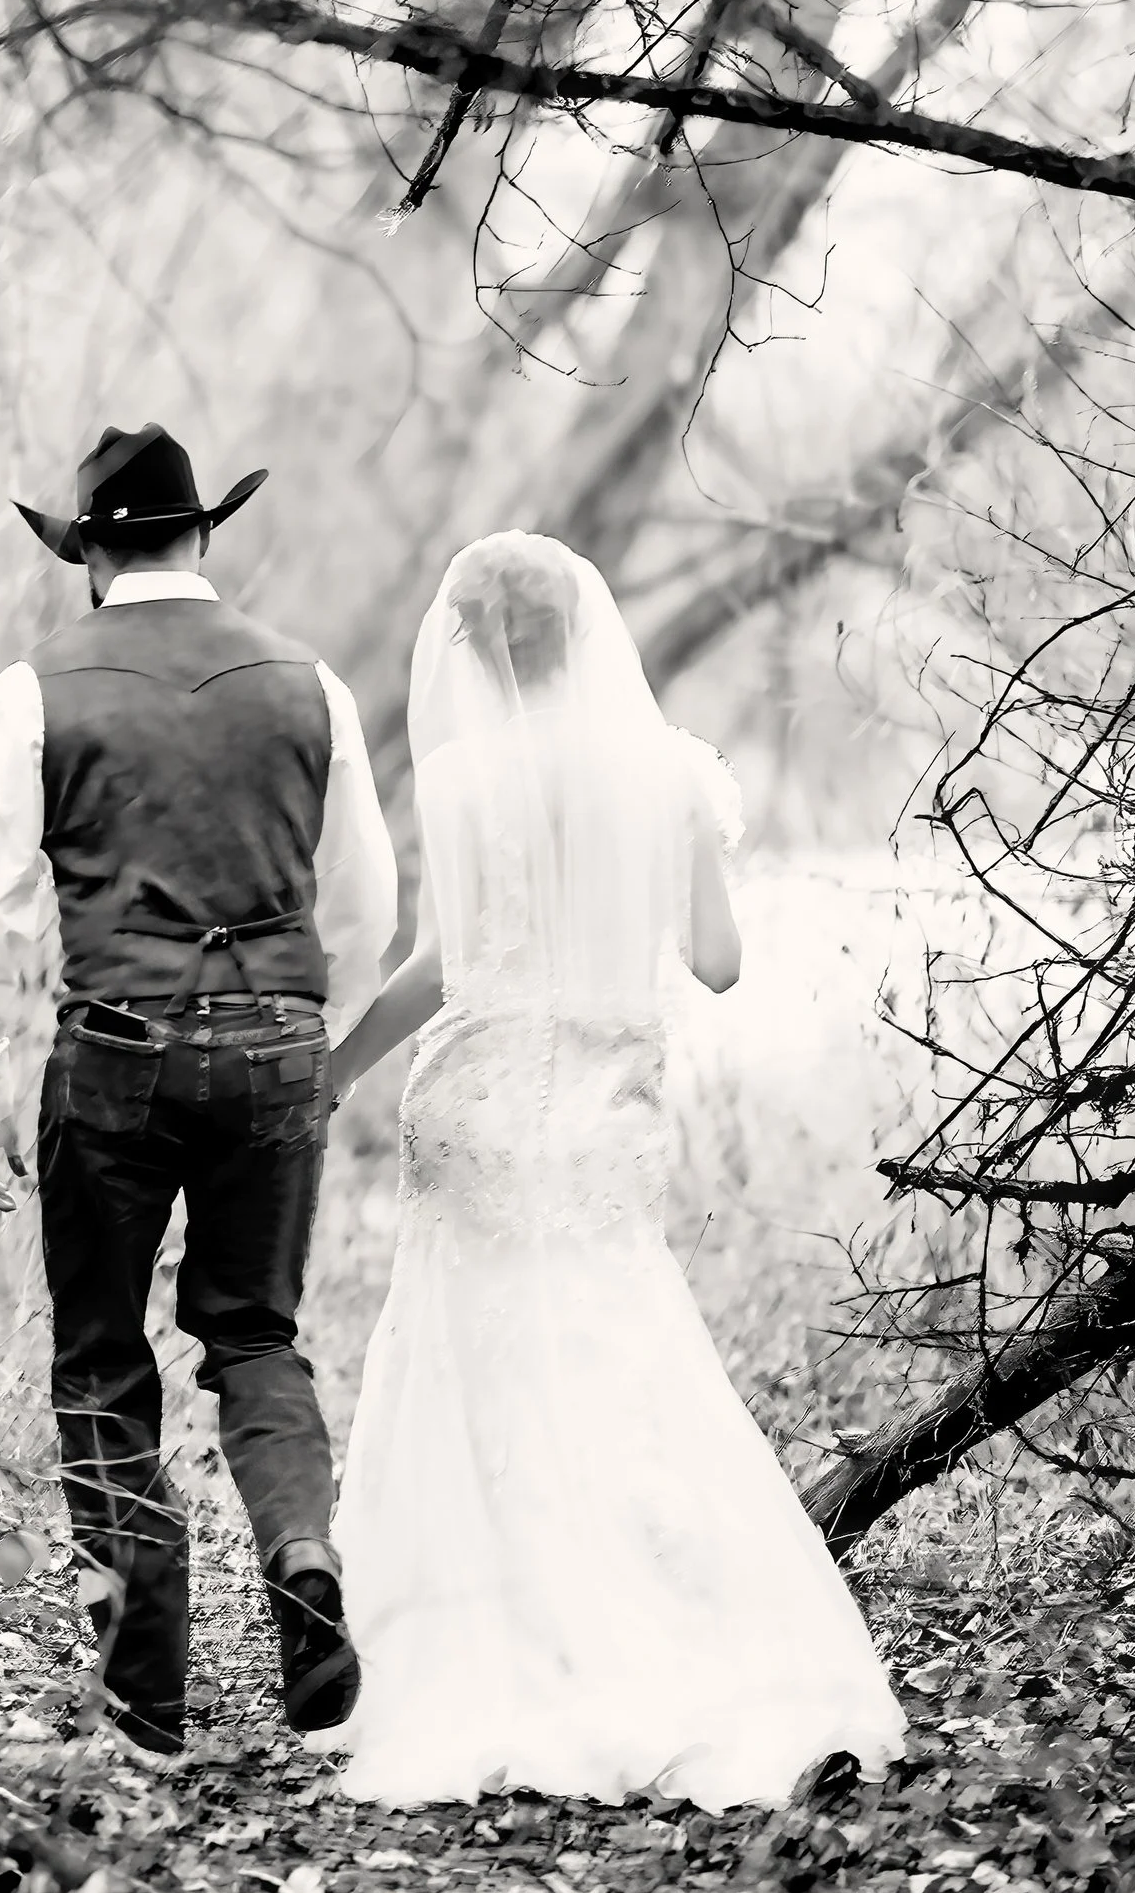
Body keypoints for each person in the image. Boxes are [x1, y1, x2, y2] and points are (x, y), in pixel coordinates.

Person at [324, 532, 905, 1808]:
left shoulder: (465, 777)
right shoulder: (668, 776)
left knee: (474, 1362)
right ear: (586, 635)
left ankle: (490, 1632)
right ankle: (654, 1625)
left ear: (473, 650)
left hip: (475, 1105)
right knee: (612, 1345)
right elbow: (715, 962)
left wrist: (336, 1065)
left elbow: (444, 962)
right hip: (598, 1113)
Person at [0, 422, 397, 1759]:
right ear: (200, 535)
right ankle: (302, 1554)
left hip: (117, 1053)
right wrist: (318, 1037)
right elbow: (367, 902)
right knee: (254, 1333)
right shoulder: (311, 686)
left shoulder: (35, 691)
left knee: (100, 1358)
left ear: (90, 554)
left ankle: (148, 1695)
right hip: (276, 1047)